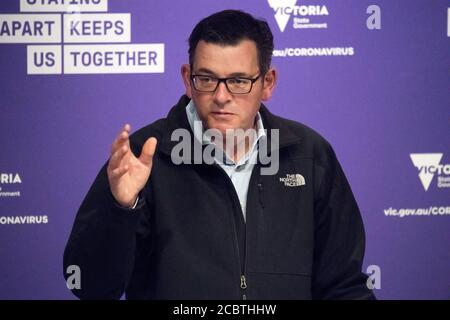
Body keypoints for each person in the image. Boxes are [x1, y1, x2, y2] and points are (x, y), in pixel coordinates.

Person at [63, 9, 375, 300]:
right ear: (188, 79)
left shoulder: (309, 155)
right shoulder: (143, 155)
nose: (221, 97)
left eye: (239, 81)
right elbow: (90, 286)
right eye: (207, 79)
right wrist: (122, 209)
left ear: (267, 83)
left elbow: (343, 287)